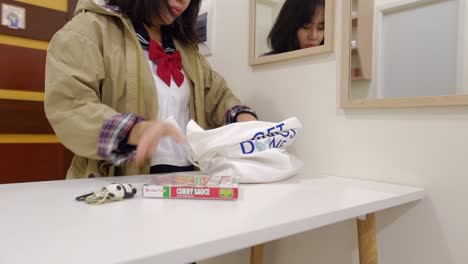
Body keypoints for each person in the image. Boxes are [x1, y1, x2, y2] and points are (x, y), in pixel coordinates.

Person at [45, 0, 257, 179]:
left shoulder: (185, 48)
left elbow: (217, 95)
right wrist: (133, 130)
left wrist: (245, 121)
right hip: (115, 181)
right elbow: (70, 105)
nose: (184, 1)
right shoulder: (89, 29)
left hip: (187, 179)